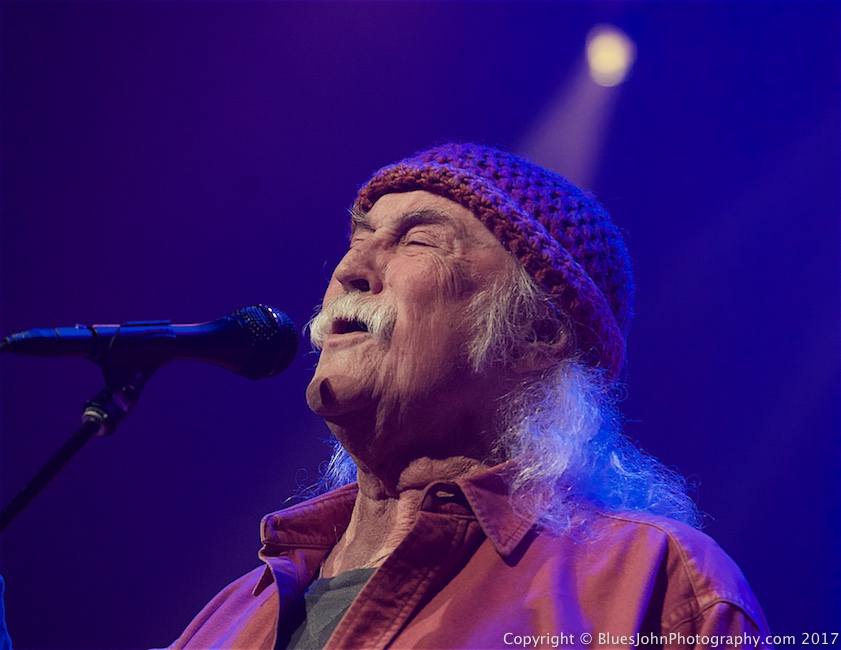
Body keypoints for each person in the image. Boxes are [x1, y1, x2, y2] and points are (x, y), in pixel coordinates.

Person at [170, 143, 770, 649]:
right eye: (360, 236)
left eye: (418, 241)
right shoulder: (229, 617)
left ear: (537, 333)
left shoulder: (654, 588)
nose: (350, 269)